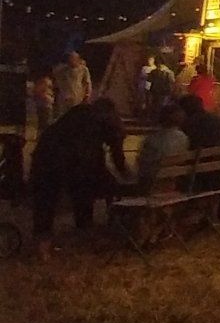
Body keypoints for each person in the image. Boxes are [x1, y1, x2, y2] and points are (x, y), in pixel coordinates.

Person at [28, 98, 127, 258]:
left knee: (46, 200)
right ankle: (87, 229)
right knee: (87, 189)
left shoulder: (77, 113)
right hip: (75, 160)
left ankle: (43, 243)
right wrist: (126, 175)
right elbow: (115, 155)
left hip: (46, 155)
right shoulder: (108, 122)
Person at [134, 103, 190, 194]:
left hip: (154, 179)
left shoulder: (153, 139)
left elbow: (143, 163)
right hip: (174, 178)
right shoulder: (183, 138)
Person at [50, 51, 92, 118]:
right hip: (64, 98)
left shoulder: (83, 69)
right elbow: (54, 73)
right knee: (64, 115)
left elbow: (87, 83)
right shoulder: (63, 70)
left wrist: (87, 94)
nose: (71, 60)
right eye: (69, 58)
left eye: (73, 58)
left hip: (77, 97)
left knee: (76, 115)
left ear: (77, 59)